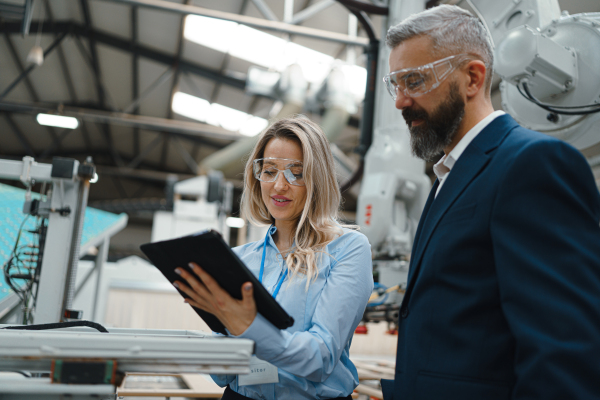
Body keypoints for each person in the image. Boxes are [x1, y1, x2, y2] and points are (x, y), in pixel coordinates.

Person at [379, 5, 600, 400]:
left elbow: (563, 353)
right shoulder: (447, 177)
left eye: (413, 81)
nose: (400, 101)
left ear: (472, 78)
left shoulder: (531, 164)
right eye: (395, 84)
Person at [173, 115, 374, 400]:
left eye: (296, 172)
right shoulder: (238, 259)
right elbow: (221, 375)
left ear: (318, 178)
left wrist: (246, 328)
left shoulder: (348, 249)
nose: (279, 185)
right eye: (269, 171)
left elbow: (320, 357)